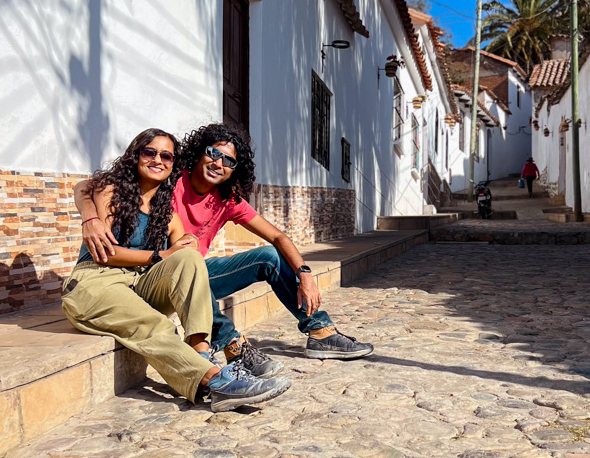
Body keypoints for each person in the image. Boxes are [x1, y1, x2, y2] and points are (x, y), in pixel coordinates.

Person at [75, 123, 373, 376]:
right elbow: (89, 186)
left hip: (189, 271)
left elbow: (278, 237)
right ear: (198, 153)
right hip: (159, 274)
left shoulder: (227, 200)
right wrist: (90, 218)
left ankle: (319, 330)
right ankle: (233, 347)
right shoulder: (169, 178)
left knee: (268, 257)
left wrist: (305, 273)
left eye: (228, 161)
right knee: (193, 271)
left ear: (234, 171)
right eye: (213, 153)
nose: (218, 164)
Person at [63, 128, 291, 413]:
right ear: (136, 156)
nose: (158, 159)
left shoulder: (166, 212)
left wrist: (187, 246)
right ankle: (215, 382)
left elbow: (183, 256)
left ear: (174, 164)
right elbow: (106, 254)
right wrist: (90, 218)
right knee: (154, 324)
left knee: (189, 258)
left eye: (166, 156)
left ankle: (202, 353)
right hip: (94, 282)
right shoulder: (111, 191)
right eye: (150, 152)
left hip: (137, 282)